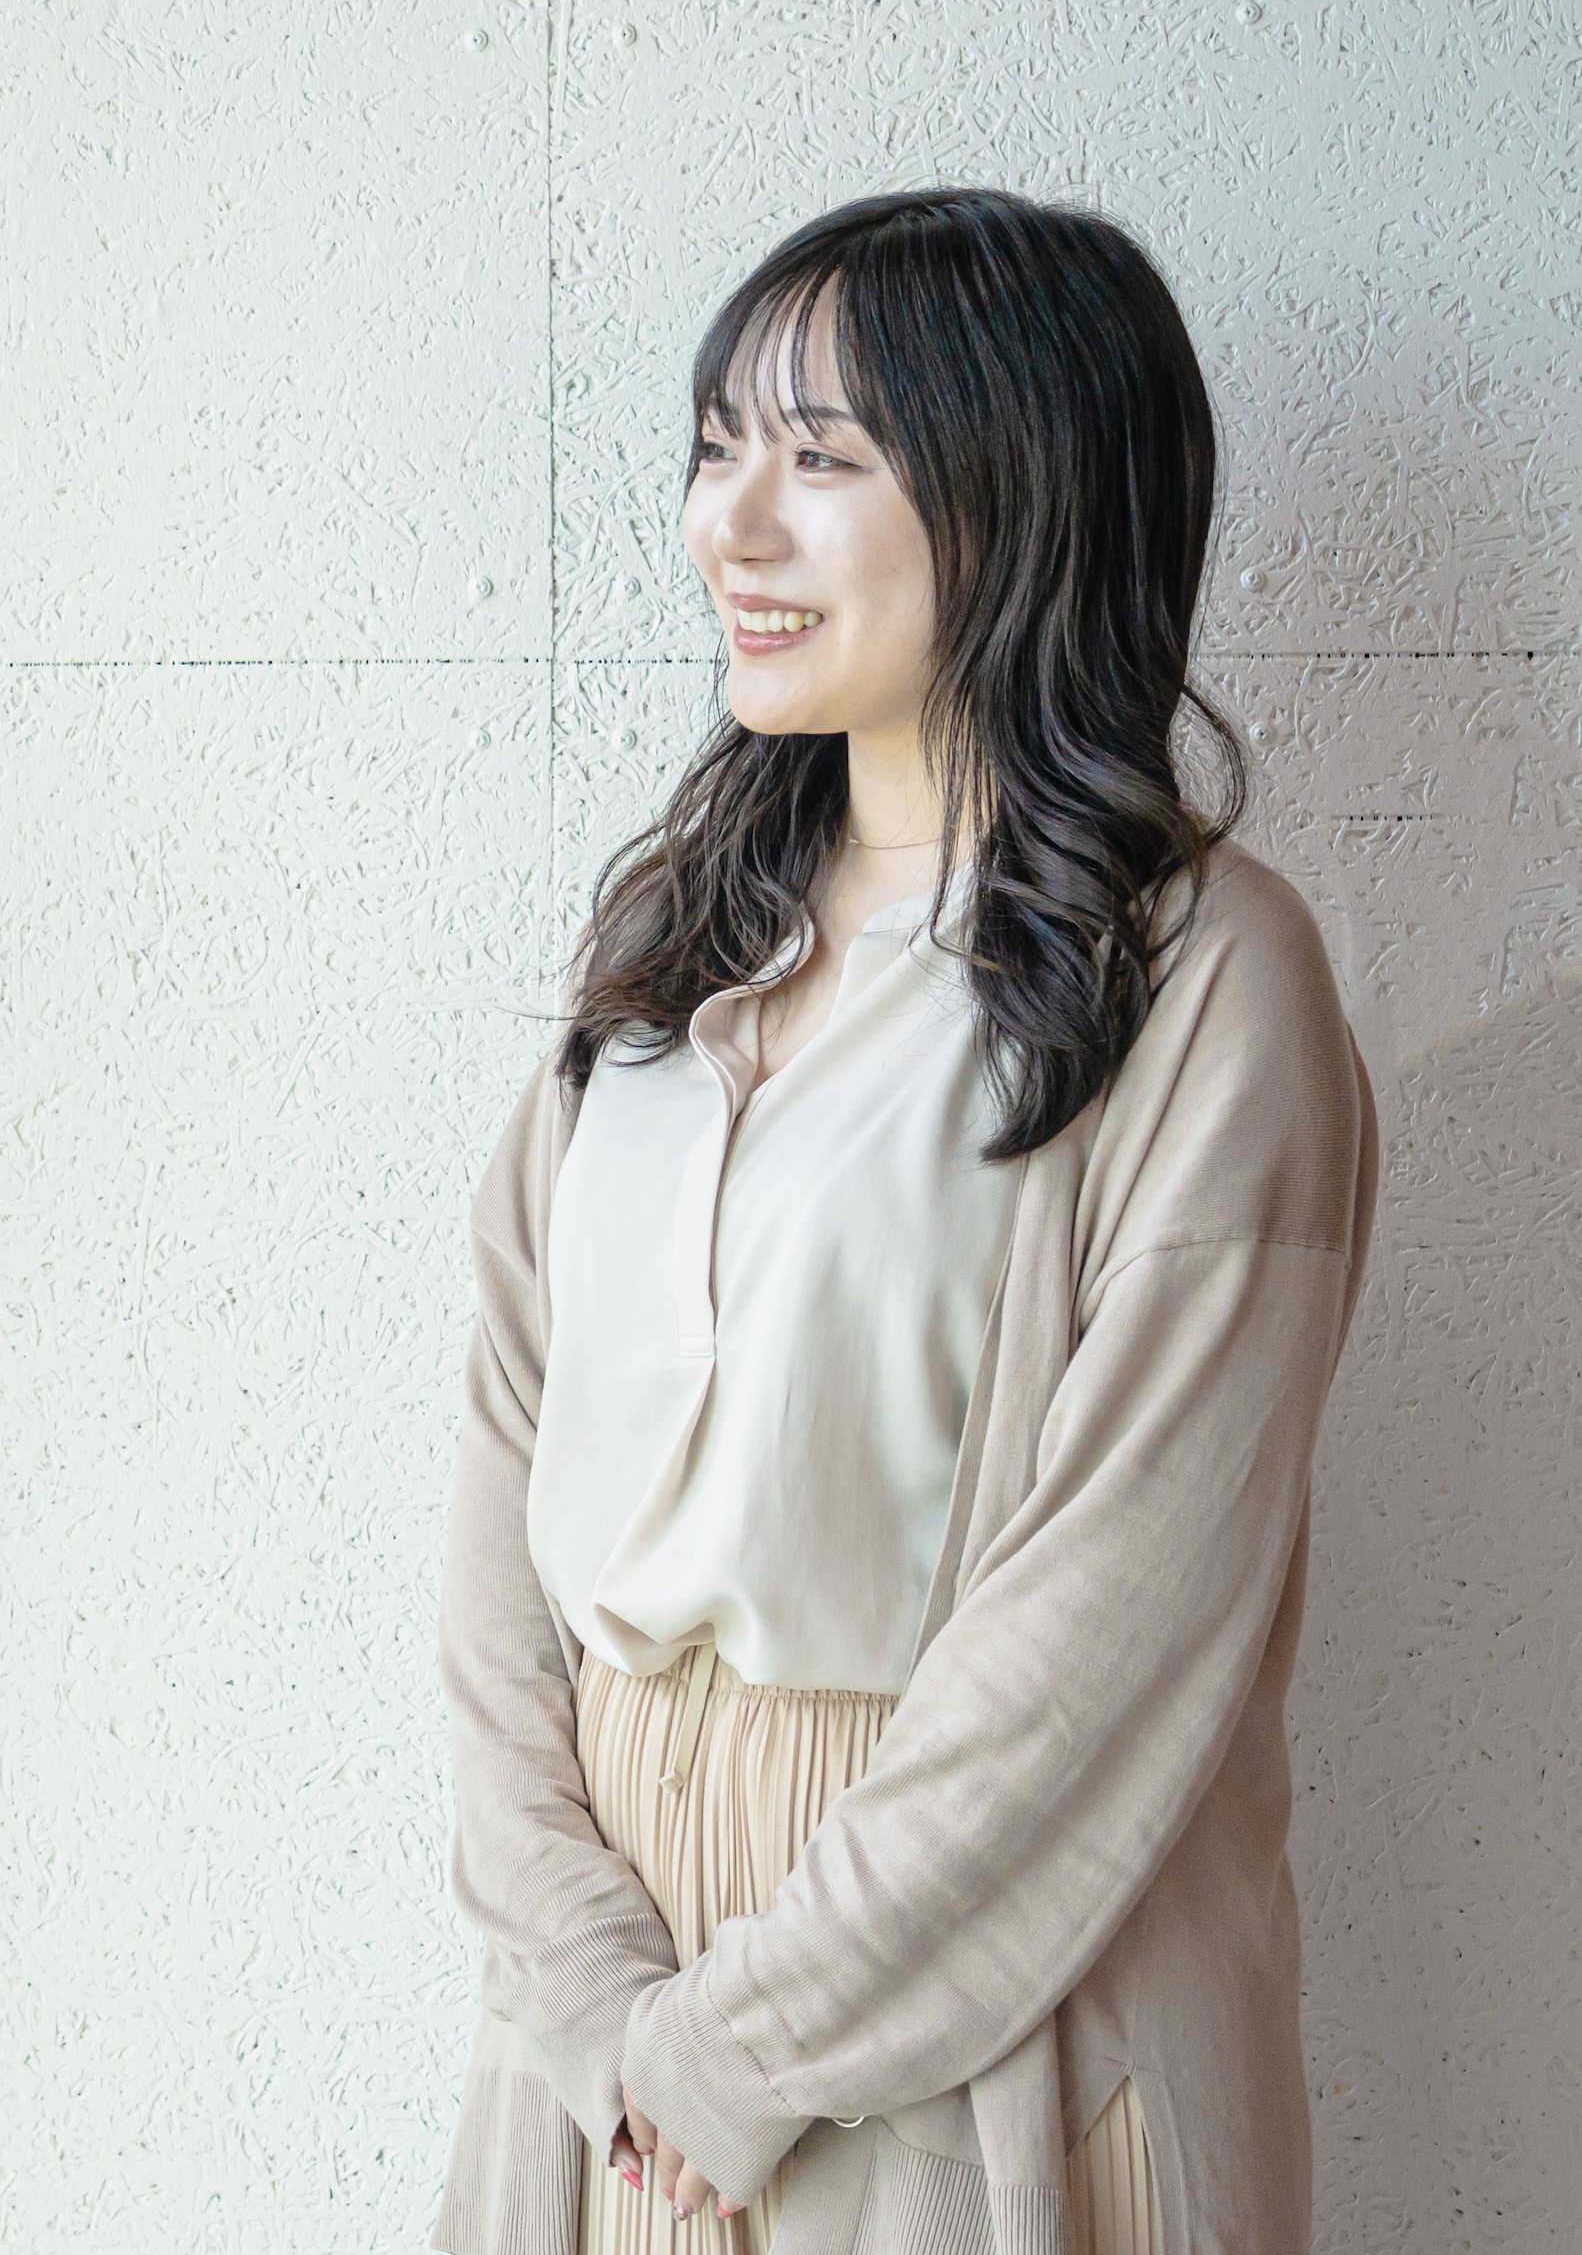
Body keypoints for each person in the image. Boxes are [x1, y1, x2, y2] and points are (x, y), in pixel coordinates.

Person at [436, 190, 1379, 2255]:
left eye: (821, 457)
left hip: (974, 2025)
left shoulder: (1204, 984)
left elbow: (1104, 1654)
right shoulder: (669, 954)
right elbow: (504, 1492)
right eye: (716, 445)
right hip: (600, 2045)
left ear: (1022, 497)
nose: (729, 523)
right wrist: (591, 1994)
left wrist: (735, 2049)